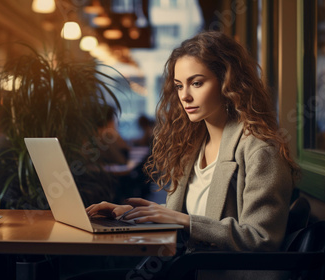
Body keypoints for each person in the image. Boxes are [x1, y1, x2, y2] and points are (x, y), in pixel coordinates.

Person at [85, 31, 299, 278]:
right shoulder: (193, 145)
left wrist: (185, 221)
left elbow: (261, 239)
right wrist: (130, 215)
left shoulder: (260, 150)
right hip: (188, 270)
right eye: (179, 86)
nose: (185, 96)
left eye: (196, 83)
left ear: (228, 83)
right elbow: (201, 215)